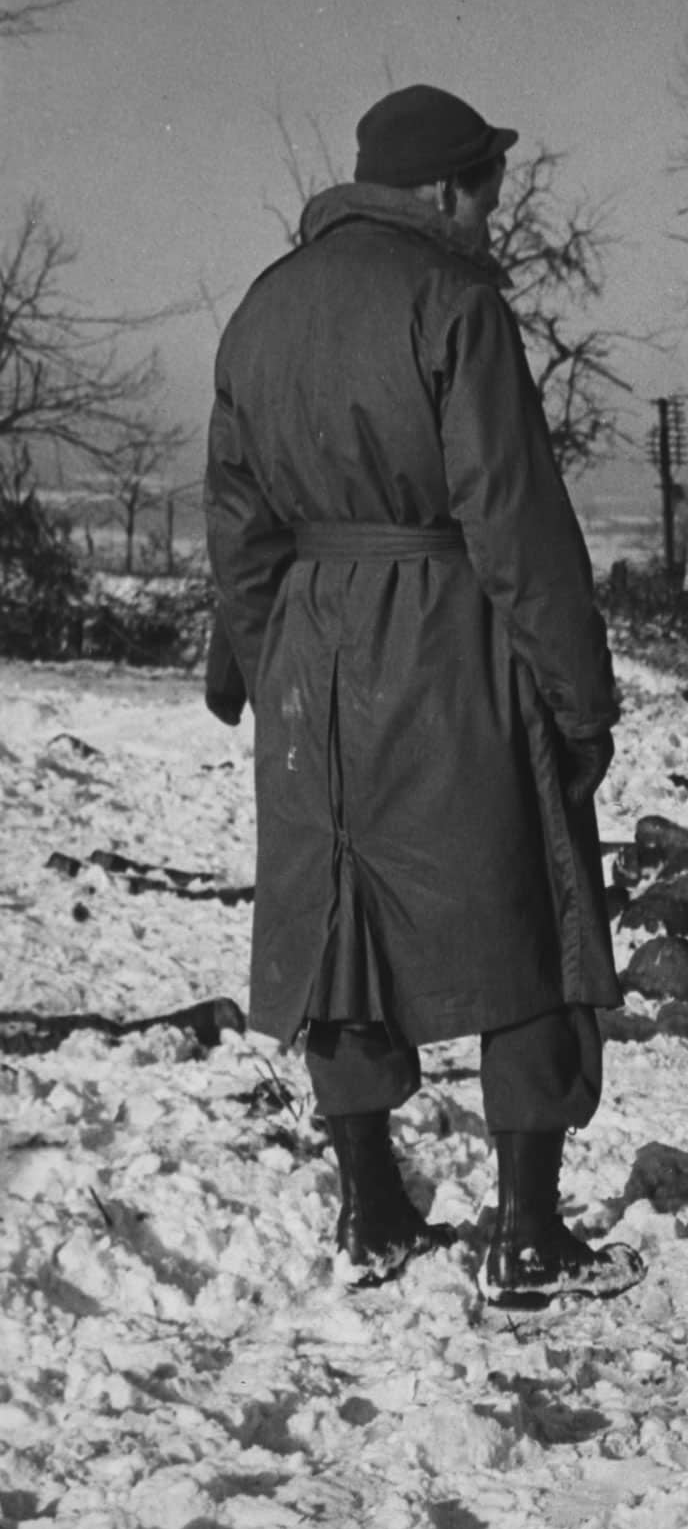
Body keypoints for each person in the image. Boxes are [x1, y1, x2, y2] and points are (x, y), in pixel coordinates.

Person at [203, 82, 642, 1309]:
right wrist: (579, 697)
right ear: (448, 187)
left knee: (340, 917)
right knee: (532, 900)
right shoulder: (456, 302)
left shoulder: (260, 310)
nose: (494, 215)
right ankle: (531, 1227)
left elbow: (236, 528)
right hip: (452, 634)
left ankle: (372, 1199)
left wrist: (273, 662)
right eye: (489, 189)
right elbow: (516, 520)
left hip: (311, 651)